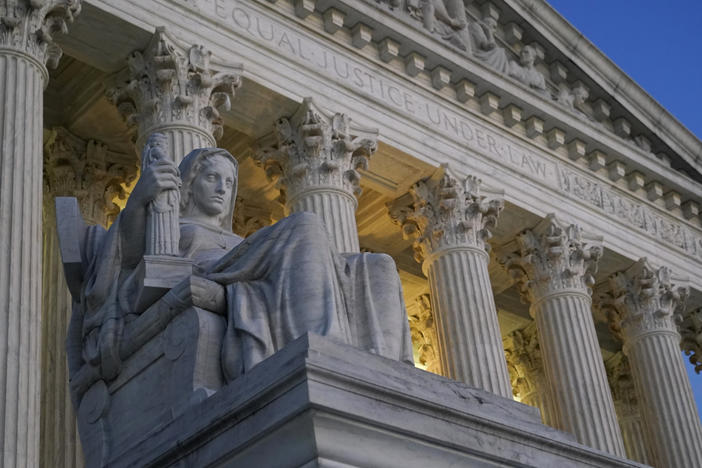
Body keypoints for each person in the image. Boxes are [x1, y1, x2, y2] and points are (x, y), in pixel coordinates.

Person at [69, 140, 413, 386]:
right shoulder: (169, 224)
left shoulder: (241, 240)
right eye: (211, 178)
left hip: (250, 273)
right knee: (305, 224)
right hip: (211, 273)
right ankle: (330, 354)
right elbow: (125, 262)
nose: (222, 188)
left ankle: (383, 373)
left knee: (378, 266)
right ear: (188, 184)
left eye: (229, 182)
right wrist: (141, 199)